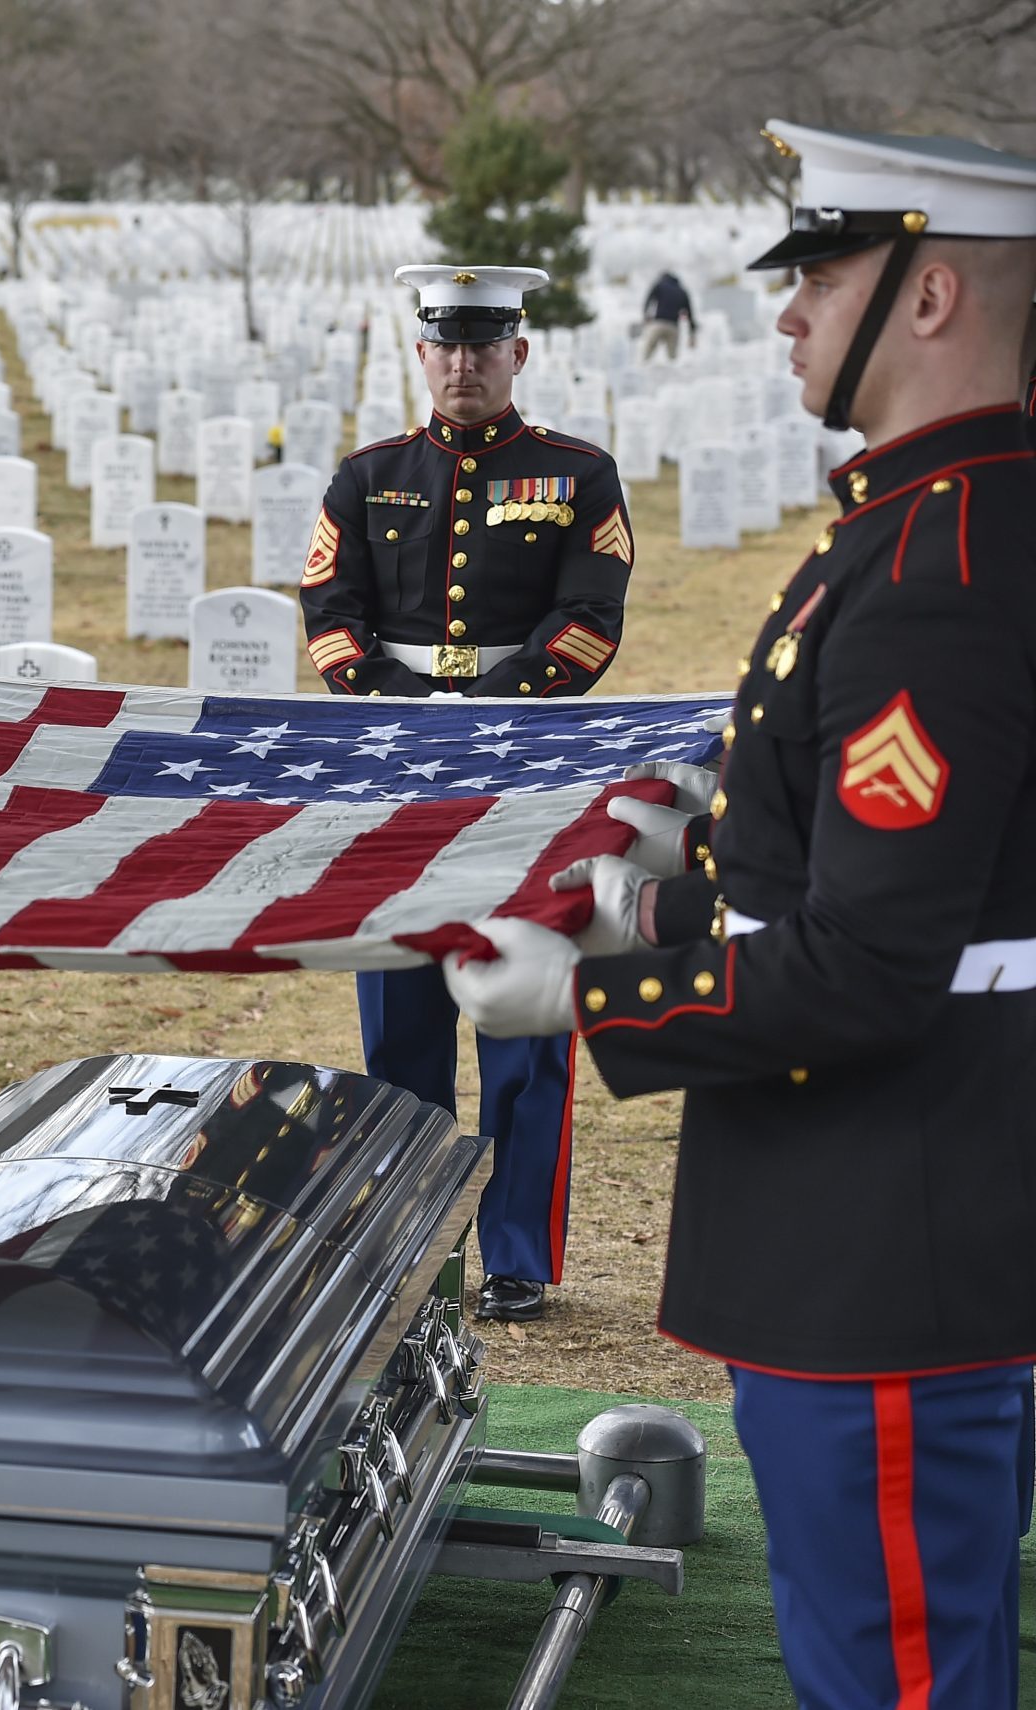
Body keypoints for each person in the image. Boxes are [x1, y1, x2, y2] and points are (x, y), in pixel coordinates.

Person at [447, 121, 1036, 1710]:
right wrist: (668, 889)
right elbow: (846, 874)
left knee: (896, 1672)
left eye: (822, 272)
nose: (783, 310)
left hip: (887, 1235)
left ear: (931, 298)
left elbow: (873, 966)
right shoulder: (921, 521)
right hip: (879, 1217)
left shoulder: (945, 562)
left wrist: (587, 1000)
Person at [299, 262, 635, 1322]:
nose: (462, 365)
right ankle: (407, 1240)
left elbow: (590, 617)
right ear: (421, 354)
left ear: (517, 354)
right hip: (396, 770)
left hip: (530, 764)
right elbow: (328, 612)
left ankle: (519, 1254)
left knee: (524, 1023)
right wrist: (401, 706)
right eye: (444, 346)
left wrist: (491, 711)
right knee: (399, 1027)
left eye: (482, 347)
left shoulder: (577, 473)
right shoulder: (366, 474)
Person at [640, 269, 694, 361]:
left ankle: (642, 371)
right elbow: (689, 314)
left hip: (658, 324)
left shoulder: (660, 285)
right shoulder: (682, 291)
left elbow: (649, 300)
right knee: (672, 359)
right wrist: (692, 333)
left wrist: (646, 315)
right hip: (673, 327)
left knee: (646, 355)